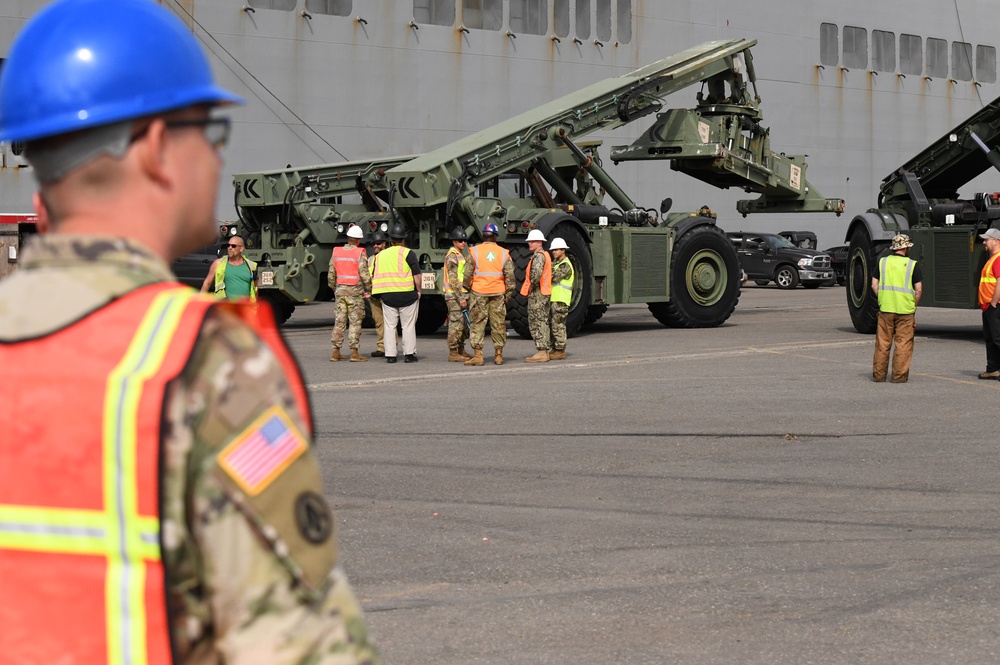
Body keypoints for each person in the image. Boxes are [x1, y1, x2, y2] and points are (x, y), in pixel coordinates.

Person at [0, 1, 378, 663]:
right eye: (211, 133)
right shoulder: (204, 361)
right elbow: (296, 643)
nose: (217, 157)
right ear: (155, 149)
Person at [870, 233, 922, 383]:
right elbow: (918, 290)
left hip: (885, 308)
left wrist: (882, 298)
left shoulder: (882, 263)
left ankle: (879, 376)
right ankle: (899, 377)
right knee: (903, 344)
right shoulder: (912, 265)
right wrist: (913, 304)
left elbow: (874, 284)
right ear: (906, 248)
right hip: (905, 310)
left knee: (883, 343)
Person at [463, 222, 516, 366]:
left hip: (479, 292)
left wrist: (468, 289)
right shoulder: (504, 253)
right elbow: (510, 278)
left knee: (477, 323)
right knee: (498, 324)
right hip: (498, 292)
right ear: (495, 237)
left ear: (483, 236)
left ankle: (478, 356)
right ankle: (498, 355)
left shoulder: (474, 251)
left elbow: (467, 274)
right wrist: (508, 295)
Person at [371, 222, 421, 363]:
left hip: (387, 296)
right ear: (403, 240)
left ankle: (391, 356)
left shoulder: (380, 256)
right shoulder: (408, 253)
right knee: (408, 326)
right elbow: (417, 275)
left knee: (389, 326)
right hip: (407, 295)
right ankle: (409, 355)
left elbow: (373, 274)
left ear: (390, 241)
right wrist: (419, 290)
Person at [328, 224, 372, 362]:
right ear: (358, 240)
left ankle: (335, 352)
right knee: (355, 322)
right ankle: (354, 352)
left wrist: (335, 288)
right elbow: (364, 275)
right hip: (355, 294)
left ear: (348, 238)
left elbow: (331, 275)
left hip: (340, 292)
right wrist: (370, 289)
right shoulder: (359, 253)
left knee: (339, 321)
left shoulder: (336, 252)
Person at [520, 229, 552, 363]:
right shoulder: (544, 255)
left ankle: (542, 351)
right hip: (543, 292)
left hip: (538, 293)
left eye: (532, 241)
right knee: (542, 320)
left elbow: (535, 275)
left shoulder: (539, 256)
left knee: (537, 321)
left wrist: (531, 288)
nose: (529, 244)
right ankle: (544, 350)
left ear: (539, 242)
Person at [443, 226, 473, 362]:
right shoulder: (452, 255)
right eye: (460, 240)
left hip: (462, 294)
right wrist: (460, 297)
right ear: (454, 241)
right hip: (454, 296)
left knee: (463, 325)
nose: (463, 243)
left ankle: (461, 349)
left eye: (464, 240)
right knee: (456, 323)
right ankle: (453, 352)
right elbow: (453, 278)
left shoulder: (460, 254)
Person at [201, 233, 257, 301]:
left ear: (241, 249)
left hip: (245, 308)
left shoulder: (251, 266)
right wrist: (200, 303)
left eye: (233, 246)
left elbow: (255, 289)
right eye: (228, 245)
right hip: (225, 307)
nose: (230, 248)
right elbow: (207, 283)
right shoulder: (218, 263)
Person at [977, 227, 1000, 379]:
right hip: (988, 306)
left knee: (997, 338)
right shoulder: (992, 258)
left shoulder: (998, 258)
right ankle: (992, 369)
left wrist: (993, 303)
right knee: (991, 338)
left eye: (987, 239)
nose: (984, 242)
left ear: (996, 241)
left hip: (994, 306)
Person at [548, 237, 575, 360]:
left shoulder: (565, 265)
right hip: (555, 299)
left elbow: (553, 277)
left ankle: (560, 350)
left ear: (563, 250)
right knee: (553, 324)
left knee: (558, 325)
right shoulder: (557, 263)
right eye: (553, 250)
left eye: (556, 250)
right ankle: (555, 348)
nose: (553, 252)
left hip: (561, 300)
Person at [367, 230, 388, 357]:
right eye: (374, 244)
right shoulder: (370, 260)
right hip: (374, 295)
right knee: (379, 321)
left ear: (384, 244)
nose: (375, 246)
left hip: (387, 293)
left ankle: (391, 346)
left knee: (389, 322)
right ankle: (381, 347)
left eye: (378, 243)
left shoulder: (388, 258)